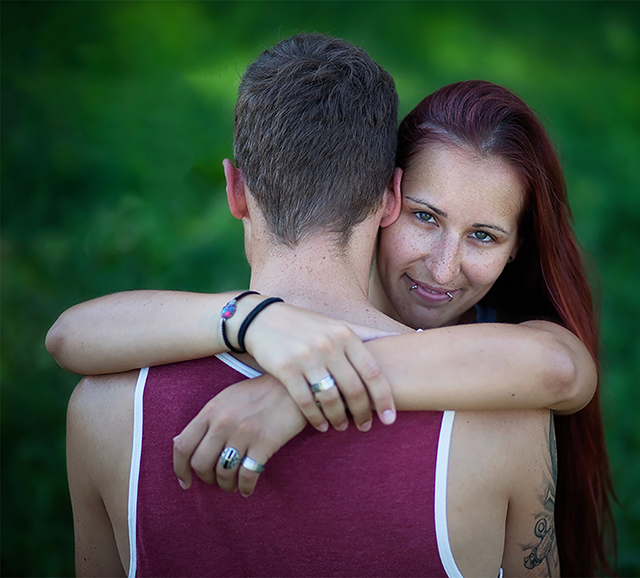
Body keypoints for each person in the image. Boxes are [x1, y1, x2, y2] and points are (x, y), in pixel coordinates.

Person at [61, 34, 570, 577]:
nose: (444, 269)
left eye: (485, 236)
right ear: (390, 199)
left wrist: (252, 329)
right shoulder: (502, 423)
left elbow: (64, 338)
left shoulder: (104, 410)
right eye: (427, 217)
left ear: (234, 190)